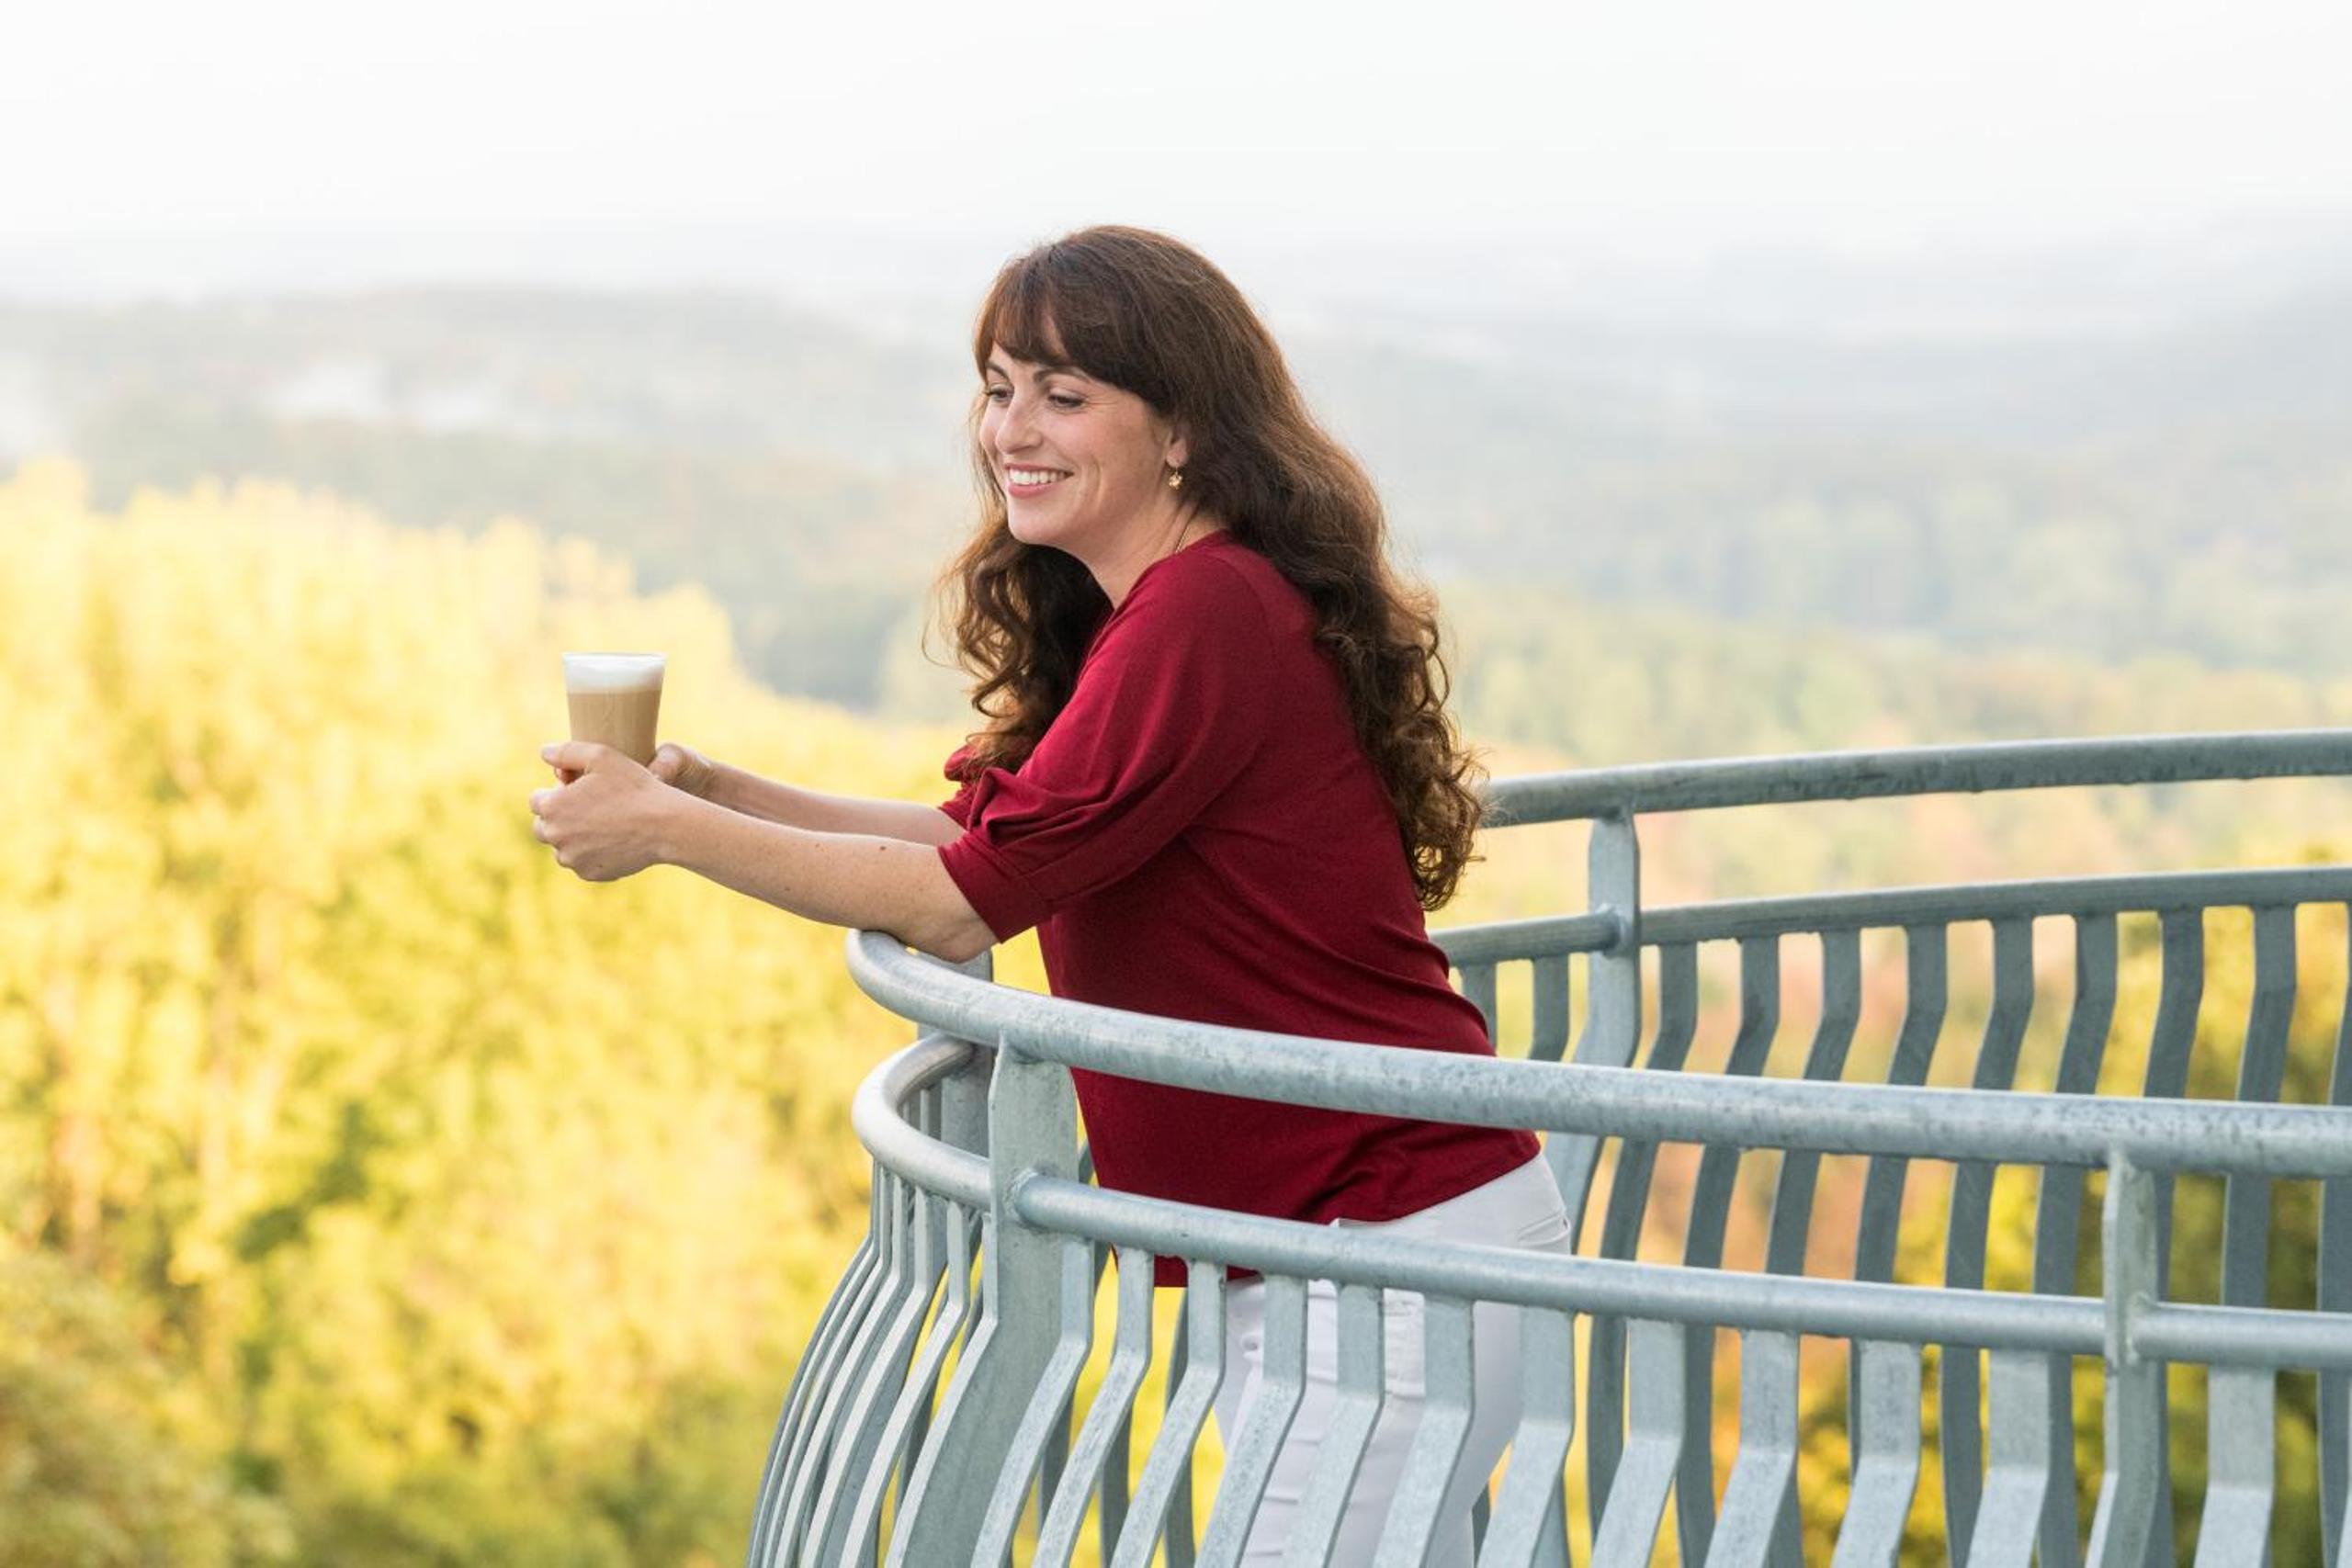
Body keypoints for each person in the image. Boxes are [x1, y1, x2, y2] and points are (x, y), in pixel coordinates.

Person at [528, 224, 1570, 1564]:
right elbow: (977, 838)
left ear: (1184, 431)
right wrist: (713, 790)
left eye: (1065, 396)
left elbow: (960, 901)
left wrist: (665, 834)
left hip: (1386, 1250)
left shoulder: (1205, 614)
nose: (1011, 430)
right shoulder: (1172, 610)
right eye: (999, 387)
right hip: (1351, 1250)